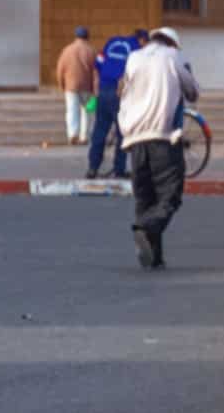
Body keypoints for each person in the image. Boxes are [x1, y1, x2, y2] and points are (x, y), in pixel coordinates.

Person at [117, 27, 199, 269]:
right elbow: (193, 92)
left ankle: (154, 257)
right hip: (164, 138)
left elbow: (124, 90)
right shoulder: (174, 57)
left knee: (145, 198)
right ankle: (145, 228)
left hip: (134, 139)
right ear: (172, 43)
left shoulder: (133, 57)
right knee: (169, 197)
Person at [87, 28, 146, 180]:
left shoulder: (112, 42)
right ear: (142, 40)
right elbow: (137, 73)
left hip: (103, 90)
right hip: (121, 93)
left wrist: (97, 86)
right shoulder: (137, 49)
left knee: (99, 131)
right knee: (122, 133)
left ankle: (92, 168)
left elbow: (98, 64)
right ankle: (119, 170)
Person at [54, 26, 96, 146]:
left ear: (76, 36)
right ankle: (84, 136)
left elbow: (60, 69)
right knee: (87, 112)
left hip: (70, 86)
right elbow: (97, 71)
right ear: (87, 37)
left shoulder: (67, 50)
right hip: (87, 87)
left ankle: (73, 134)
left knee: (72, 111)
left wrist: (62, 85)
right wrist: (96, 88)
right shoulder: (92, 51)